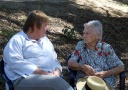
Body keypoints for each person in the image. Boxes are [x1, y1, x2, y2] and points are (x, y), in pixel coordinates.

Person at [3, 10, 73, 90]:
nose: (47, 28)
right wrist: (44, 73)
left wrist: (57, 71)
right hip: (22, 78)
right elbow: (16, 63)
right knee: (55, 82)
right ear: (36, 26)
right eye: (45, 25)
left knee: (56, 81)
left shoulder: (45, 40)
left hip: (48, 77)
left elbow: (54, 60)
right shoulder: (17, 40)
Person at [68, 20, 124, 90]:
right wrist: (82, 66)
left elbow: (121, 67)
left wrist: (106, 73)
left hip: (103, 83)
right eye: (83, 33)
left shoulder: (106, 48)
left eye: (87, 33)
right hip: (85, 83)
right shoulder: (81, 45)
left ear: (97, 35)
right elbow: (70, 63)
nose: (84, 36)